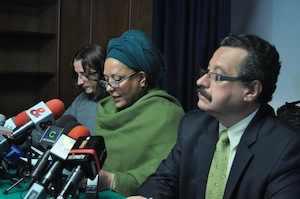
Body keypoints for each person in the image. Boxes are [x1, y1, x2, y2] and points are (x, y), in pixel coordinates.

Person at [130, 34, 300, 199]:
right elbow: (164, 182)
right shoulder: (193, 125)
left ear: (251, 91)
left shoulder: (286, 149)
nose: (201, 81)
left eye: (217, 76)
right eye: (206, 71)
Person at [95, 30, 184, 196]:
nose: (108, 88)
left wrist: (112, 180)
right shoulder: (105, 108)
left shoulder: (167, 114)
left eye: (117, 79)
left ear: (141, 79)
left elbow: (166, 176)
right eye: (106, 80)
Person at [63, 44, 106, 133]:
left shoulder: (118, 101)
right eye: (77, 75)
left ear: (101, 71)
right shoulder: (81, 99)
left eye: (84, 74)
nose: (79, 82)